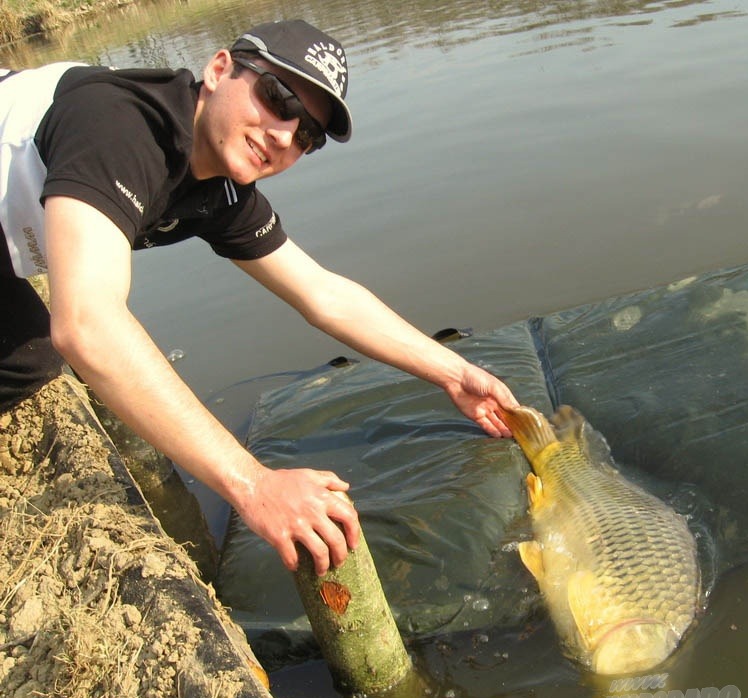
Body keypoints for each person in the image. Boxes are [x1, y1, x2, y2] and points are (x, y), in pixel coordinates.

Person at [0, 19, 519, 575]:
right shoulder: (121, 126)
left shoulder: (221, 185)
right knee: (41, 352)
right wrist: (252, 484)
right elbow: (87, 325)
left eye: (307, 136)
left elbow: (322, 293)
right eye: (278, 97)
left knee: (27, 356)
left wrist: (452, 373)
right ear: (219, 69)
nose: (283, 135)